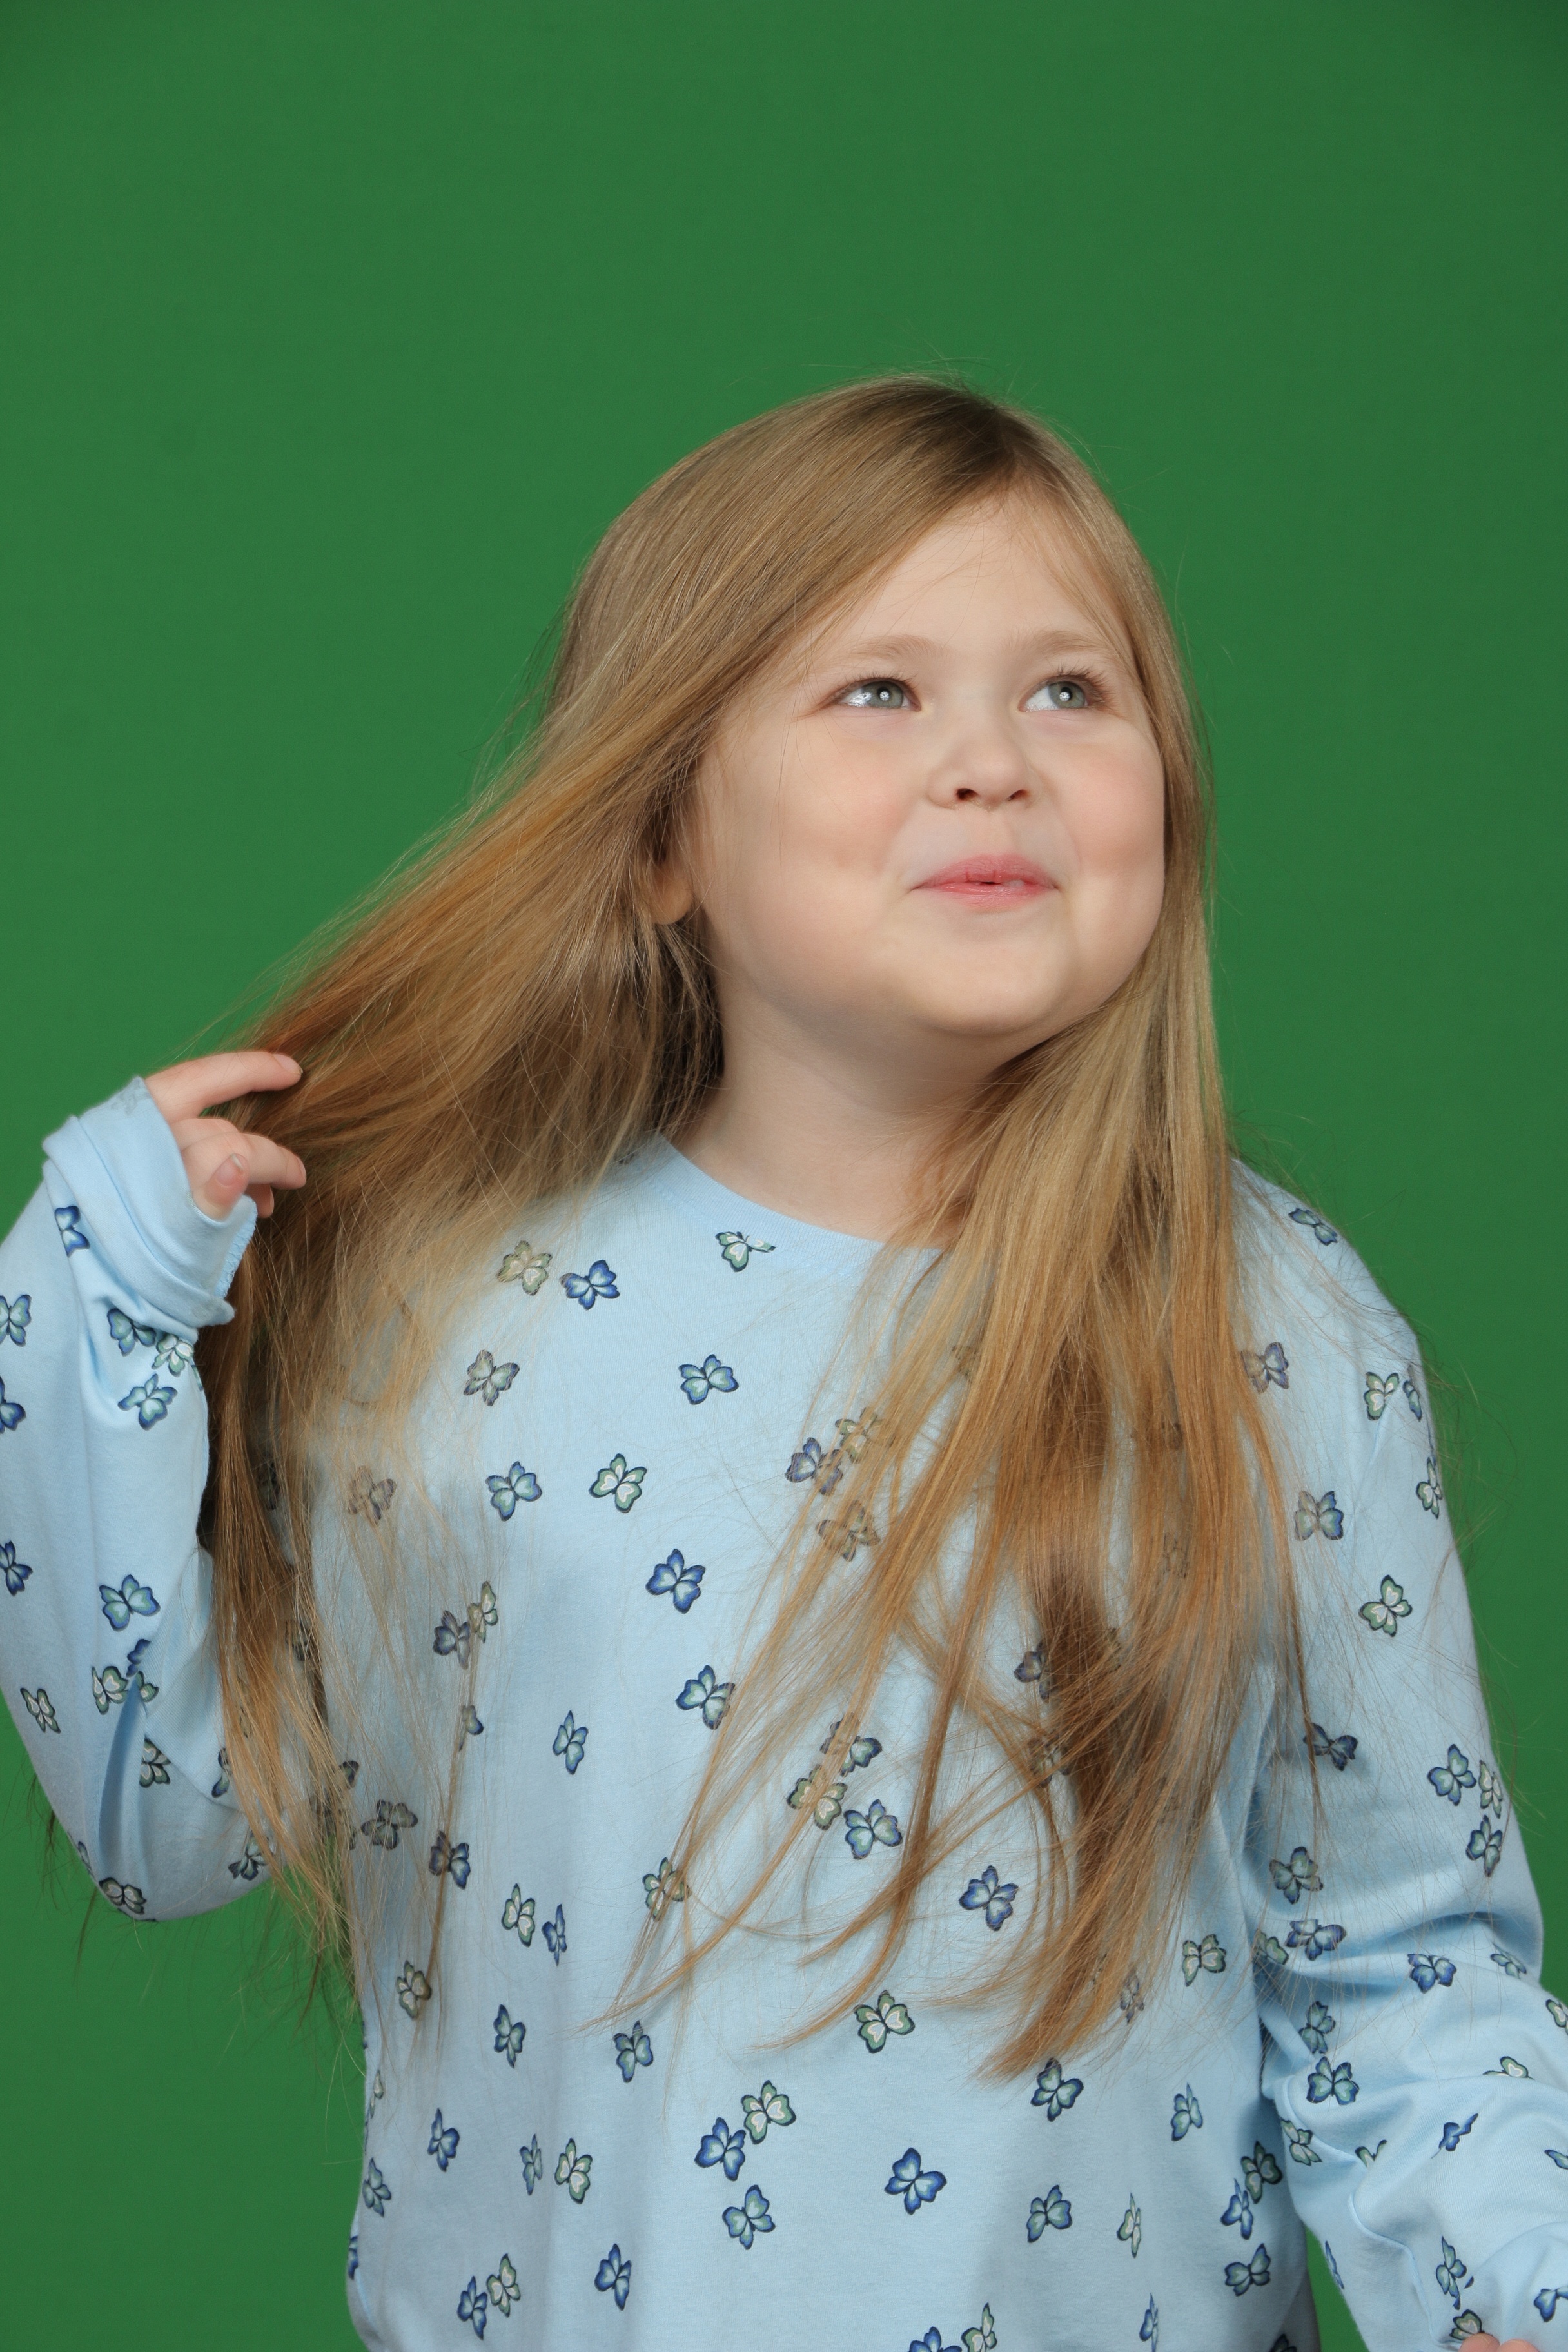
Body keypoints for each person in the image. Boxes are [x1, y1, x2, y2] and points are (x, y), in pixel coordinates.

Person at [1, 380, 1562, 2352]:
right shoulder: (449, 1316)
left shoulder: (1266, 1327)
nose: (993, 763)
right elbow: (165, 1815)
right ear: (663, 836)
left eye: (1072, 690)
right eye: (879, 691)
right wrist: (94, 1303)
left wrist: (1514, 2285)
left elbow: (1402, 1970)